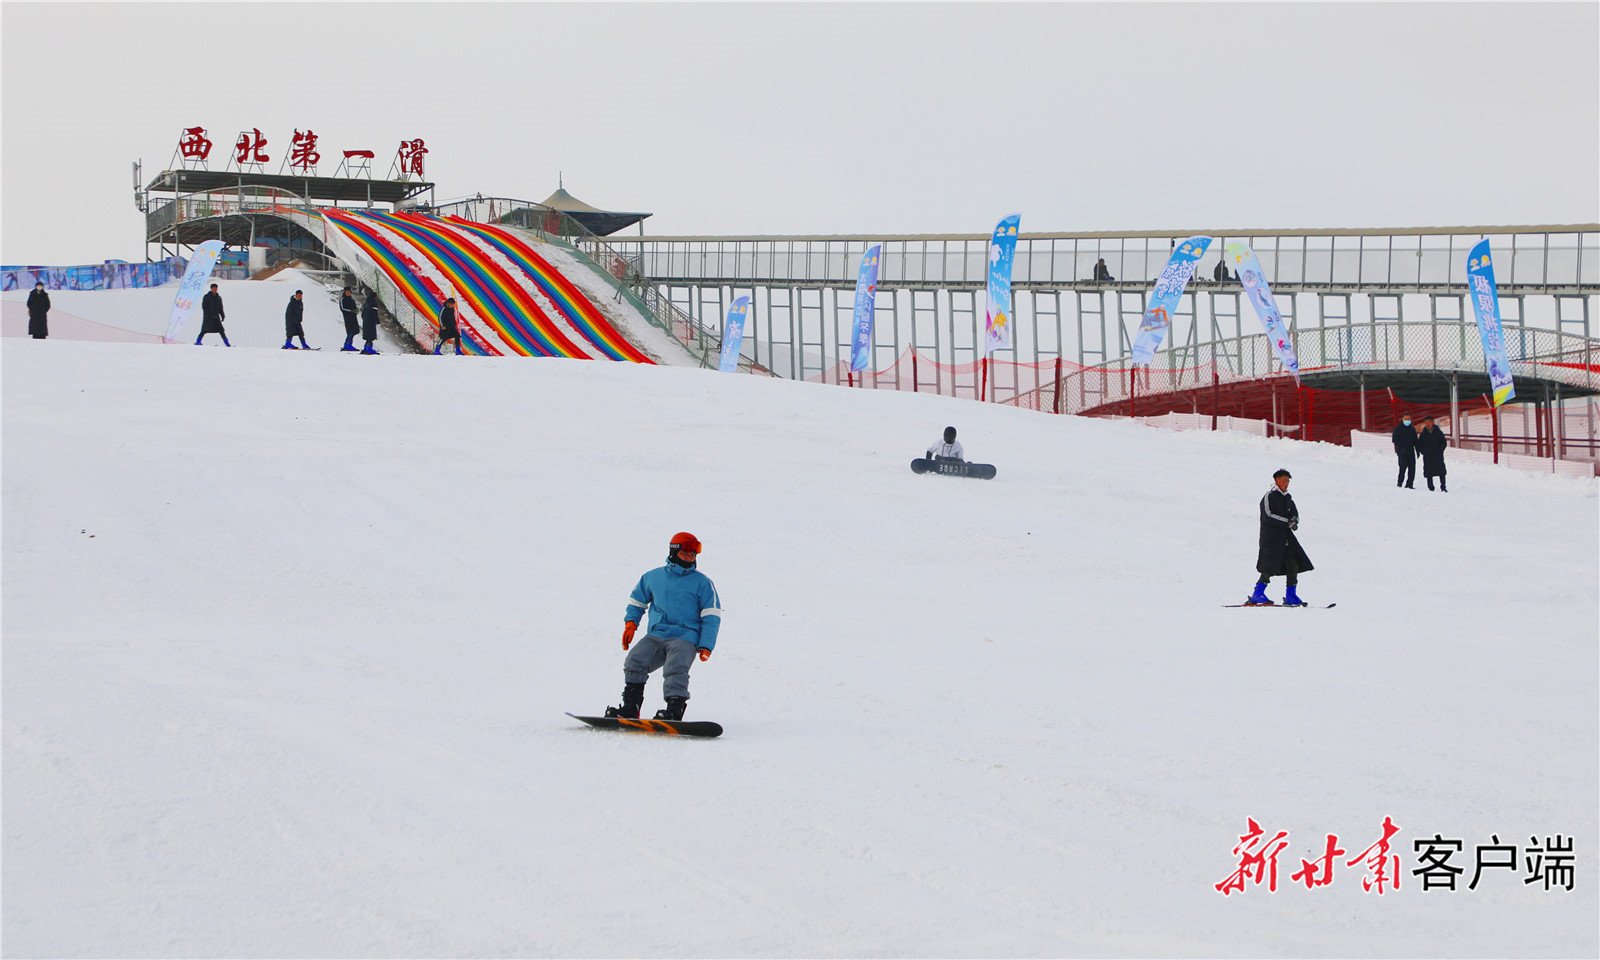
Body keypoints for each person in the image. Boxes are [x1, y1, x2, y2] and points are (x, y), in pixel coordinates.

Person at [607, 532, 722, 721]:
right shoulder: (653, 577)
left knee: (675, 667)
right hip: (657, 634)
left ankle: (674, 710)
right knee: (635, 660)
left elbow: (712, 616)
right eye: (686, 554)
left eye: (693, 554)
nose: (690, 558)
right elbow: (637, 602)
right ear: (674, 552)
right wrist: (630, 624)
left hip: (685, 636)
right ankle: (630, 707)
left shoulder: (703, 583)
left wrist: (706, 645)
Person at [1247, 468, 1314, 606]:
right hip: (1271, 538)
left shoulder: (1288, 498)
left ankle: (1291, 595)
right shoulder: (1269, 496)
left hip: (1286, 538)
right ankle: (1257, 594)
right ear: (1277, 480)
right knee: (1269, 566)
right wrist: (1286, 522)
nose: (1287, 484)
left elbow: (1294, 514)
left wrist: (1294, 521)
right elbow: (1268, 515)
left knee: (1293, 564)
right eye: (1284, 481)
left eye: (1288, 481)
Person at [1416, 416, 1448, 492]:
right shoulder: (1423, 434)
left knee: (1441, 471)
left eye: (1429, 422)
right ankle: (1431, 487)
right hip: (1428, 456)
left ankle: (1443, 487)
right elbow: (1420, 445)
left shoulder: (1439, 432)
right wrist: (1424, 452)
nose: (1428, 424)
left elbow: (1443, 442)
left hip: (1438, 456)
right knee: (1429, 472)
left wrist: (1440, 450)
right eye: (1426, 423)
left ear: (1433, 422)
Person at [1391, 414, 1418, 488]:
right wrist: (1399, 449)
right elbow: (1395, 440)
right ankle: (1400, 483)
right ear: (1402, 419)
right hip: (1402, 452)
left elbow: (1415, 441)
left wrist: (1418, 451)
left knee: (1412, 468)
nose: (1407, 421)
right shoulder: (1397, 429)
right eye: (1406, 419)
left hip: (1411, 451)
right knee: (1402, 468)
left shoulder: (1412, 429)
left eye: (1409, 419)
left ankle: (1410, 484)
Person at [339, 286, 360, 352]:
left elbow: (355, 308)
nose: (348, 293)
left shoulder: (352, 300)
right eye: (346, 292)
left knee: (355, 330)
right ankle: (347, 344)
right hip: (348, 318)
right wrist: (351, 311)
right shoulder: (343, 299)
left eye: (348, 292)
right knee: (350, 331)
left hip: (353, 317)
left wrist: (356, 311)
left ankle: (348, 344)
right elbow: (343, 308)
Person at [360, 291, 380, 355]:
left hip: (366, 321)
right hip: (371, 322)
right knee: (371, 336)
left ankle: (366, 348)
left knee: (367, 336)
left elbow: (362, 314)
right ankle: (369, 348)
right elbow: (375, 314)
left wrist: (365, 319)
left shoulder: (366, 304)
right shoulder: (373, 304)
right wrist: (378, 322)